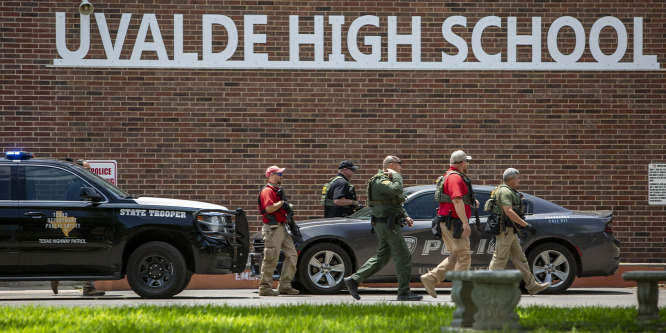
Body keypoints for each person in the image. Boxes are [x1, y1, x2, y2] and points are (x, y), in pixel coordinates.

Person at [344, 156, 422, 301]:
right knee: (403, 255)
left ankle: (354, 280)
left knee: (382, 257)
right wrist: (397, 176)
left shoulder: (388, 180)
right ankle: (404, 292)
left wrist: (405, 216)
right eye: (400, 165)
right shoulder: (380, 180)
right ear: (391, 165)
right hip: (387, 224)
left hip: (387, 223)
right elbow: (397, 189)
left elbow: (394, 201)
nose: (401, 169)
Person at [420, 150, 478, 298]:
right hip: (454, 223)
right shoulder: (455, 178)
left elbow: (459, 199)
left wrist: (470, 202)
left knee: (455, 256)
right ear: (462, 163)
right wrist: (465, 223)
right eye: (467, 162)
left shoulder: (450, 176)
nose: (467, 165)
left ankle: (431, 279)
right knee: (464, 257)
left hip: (448, 221)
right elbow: (456, 200)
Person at [487, 168, 549, 295]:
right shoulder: (505, 191)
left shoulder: (508, 190)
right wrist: (526, 225)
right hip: (505, 232)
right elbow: (508, 211)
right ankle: (486, 288)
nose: (519, 181)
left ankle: (532, 285)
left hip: (510, 231)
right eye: (517, 178)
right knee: (499, 259)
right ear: (510, 179)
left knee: (520, 259)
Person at [52, 159, 106, 297]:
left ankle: (56, 274)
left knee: (76, 253)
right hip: (80, 224)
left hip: (80, 223)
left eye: (90, 168)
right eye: (86, 168)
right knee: (88, 254)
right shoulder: (76, 186)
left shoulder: (80, 184)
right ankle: (88, 287)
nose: (89, 171)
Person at [257, 165, 299, 296]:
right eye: (279, 174)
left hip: (281, 227)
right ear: (271, 175)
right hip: (273, 228)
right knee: (271, 258)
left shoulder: (277, 190)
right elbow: (269, 208)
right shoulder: (268, 191)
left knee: (292, 255)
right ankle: (265, 288)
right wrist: (282, 203)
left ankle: (285, 285)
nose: (281, 176)